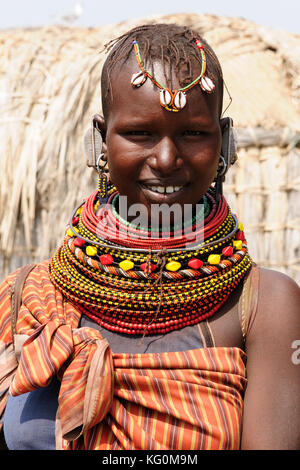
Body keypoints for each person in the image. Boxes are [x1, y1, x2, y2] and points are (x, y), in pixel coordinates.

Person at [0, 23, 299, 451]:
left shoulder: (265, 305)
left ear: (225, 140)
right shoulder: (25, 299)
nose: (165, 158)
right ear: (102, 139)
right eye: (139, 133)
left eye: (192, 134)